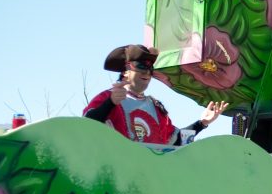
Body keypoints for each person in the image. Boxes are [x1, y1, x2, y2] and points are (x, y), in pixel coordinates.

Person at [83, 45, 226, 145]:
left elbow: (175, 141)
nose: (146, 73)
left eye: (150, 69)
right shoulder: (107, 98)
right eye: (141, 67)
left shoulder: (156, 108)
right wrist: (111, 103)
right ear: (125, 71)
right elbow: (86, 126)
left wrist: (202, 123)